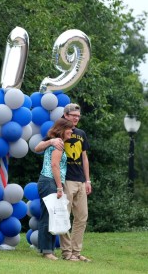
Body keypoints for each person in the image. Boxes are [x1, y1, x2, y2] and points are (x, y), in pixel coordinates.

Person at [35, 103, 92, 262]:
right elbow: (38, 147)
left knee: (82, 217)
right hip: (63, 181)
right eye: (73, 115)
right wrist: (50, 142)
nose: (76, 119)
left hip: (79, 180)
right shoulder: (58, 134)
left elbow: (84, 158)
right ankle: (66, 252)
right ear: (65, 115)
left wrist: (87, 180)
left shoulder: (80, 133)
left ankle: (76, 251)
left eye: (78, 116)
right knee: (61, 216)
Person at [35, 118, 73, 260]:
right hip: (49, 182)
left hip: (50, 182)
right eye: (69, 129)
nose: (71, 131)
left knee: (52, 216)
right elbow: (54, 166)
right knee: (48, 216)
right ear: (62, 129)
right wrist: (59, 187)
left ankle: (49, 249)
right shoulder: (58, 144)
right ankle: (46, 251)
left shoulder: (58, 142)